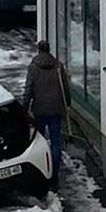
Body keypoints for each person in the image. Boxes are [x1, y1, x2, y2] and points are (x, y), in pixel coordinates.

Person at [22, 39, 71, 185]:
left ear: (38, 50)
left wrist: (24, 108)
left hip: (40, 110)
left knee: (39, 142)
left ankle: (42, 170)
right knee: (56, 142)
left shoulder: (33, 67)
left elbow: (28, 89)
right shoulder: (58, 66)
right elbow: (65, 87)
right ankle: (54, 173)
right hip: (56, 109)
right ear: (49, 50)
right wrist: (67, 103)